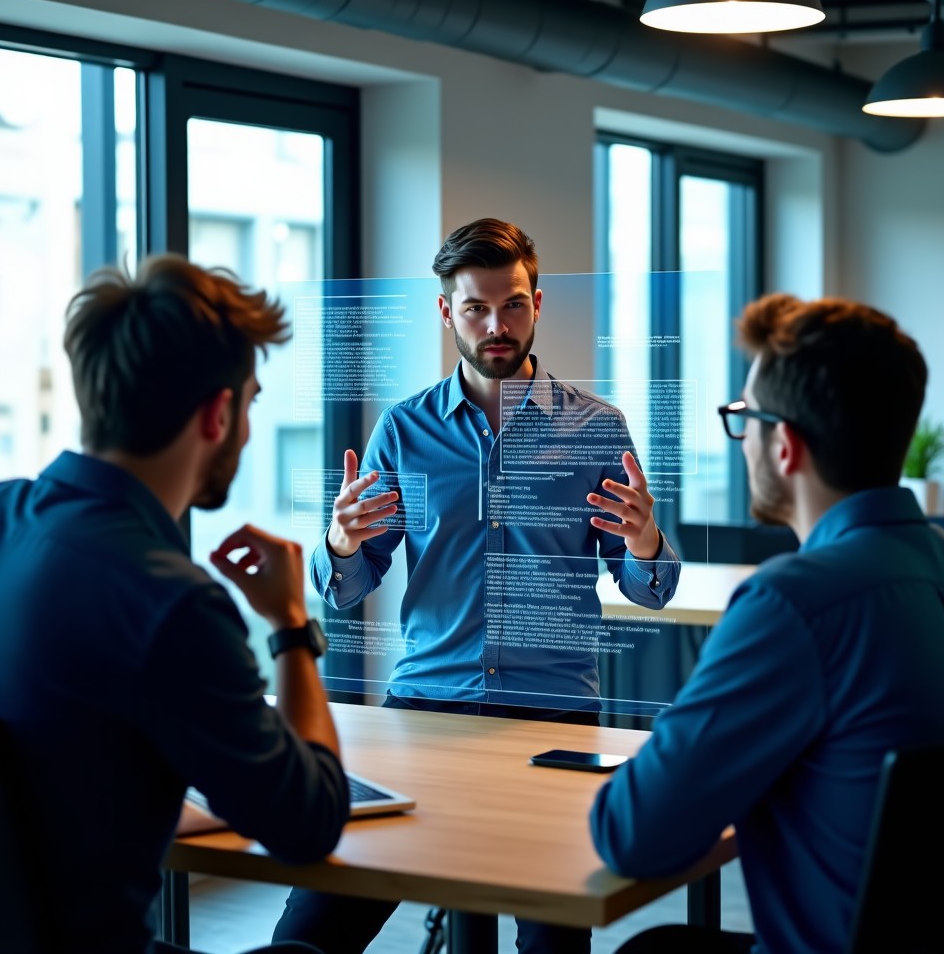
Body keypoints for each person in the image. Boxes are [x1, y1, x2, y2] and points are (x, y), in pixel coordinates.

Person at [274, 218, 681, 954]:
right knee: (311, 932)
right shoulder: (404, 430)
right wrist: (341, 543)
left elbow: (648, 590)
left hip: (554, 719)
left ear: (537, 303)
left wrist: (645, 542)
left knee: (554, 946)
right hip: (424, 711)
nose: (497, 326)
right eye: (476, 308)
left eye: (513, 305)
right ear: (446, 311)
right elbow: (348, 588)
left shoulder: (597, 426)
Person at [589, 293, 944, 954]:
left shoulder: (791, 605)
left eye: (744, 418)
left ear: (785, 446)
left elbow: (632, 833)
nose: (742, 441)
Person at [0, 255, 350, 954]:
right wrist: (290, 625)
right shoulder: (171, 602)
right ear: (219, 414)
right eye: (250, 403)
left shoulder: (9, 517)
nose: (248, 428)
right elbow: (309, 825)